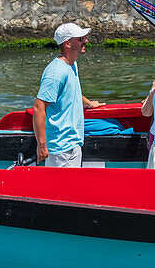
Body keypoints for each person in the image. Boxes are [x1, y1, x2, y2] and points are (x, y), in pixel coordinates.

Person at [32, 23, 104, 167]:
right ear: (67, 43)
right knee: (59, 189)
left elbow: (71, 92)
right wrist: (42, 145)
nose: (86, 41)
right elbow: (39, 107)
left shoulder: (72, 64)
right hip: (60, 149)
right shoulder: (56, 72)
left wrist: (88, 103)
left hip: (73, 142)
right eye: (81, 38)